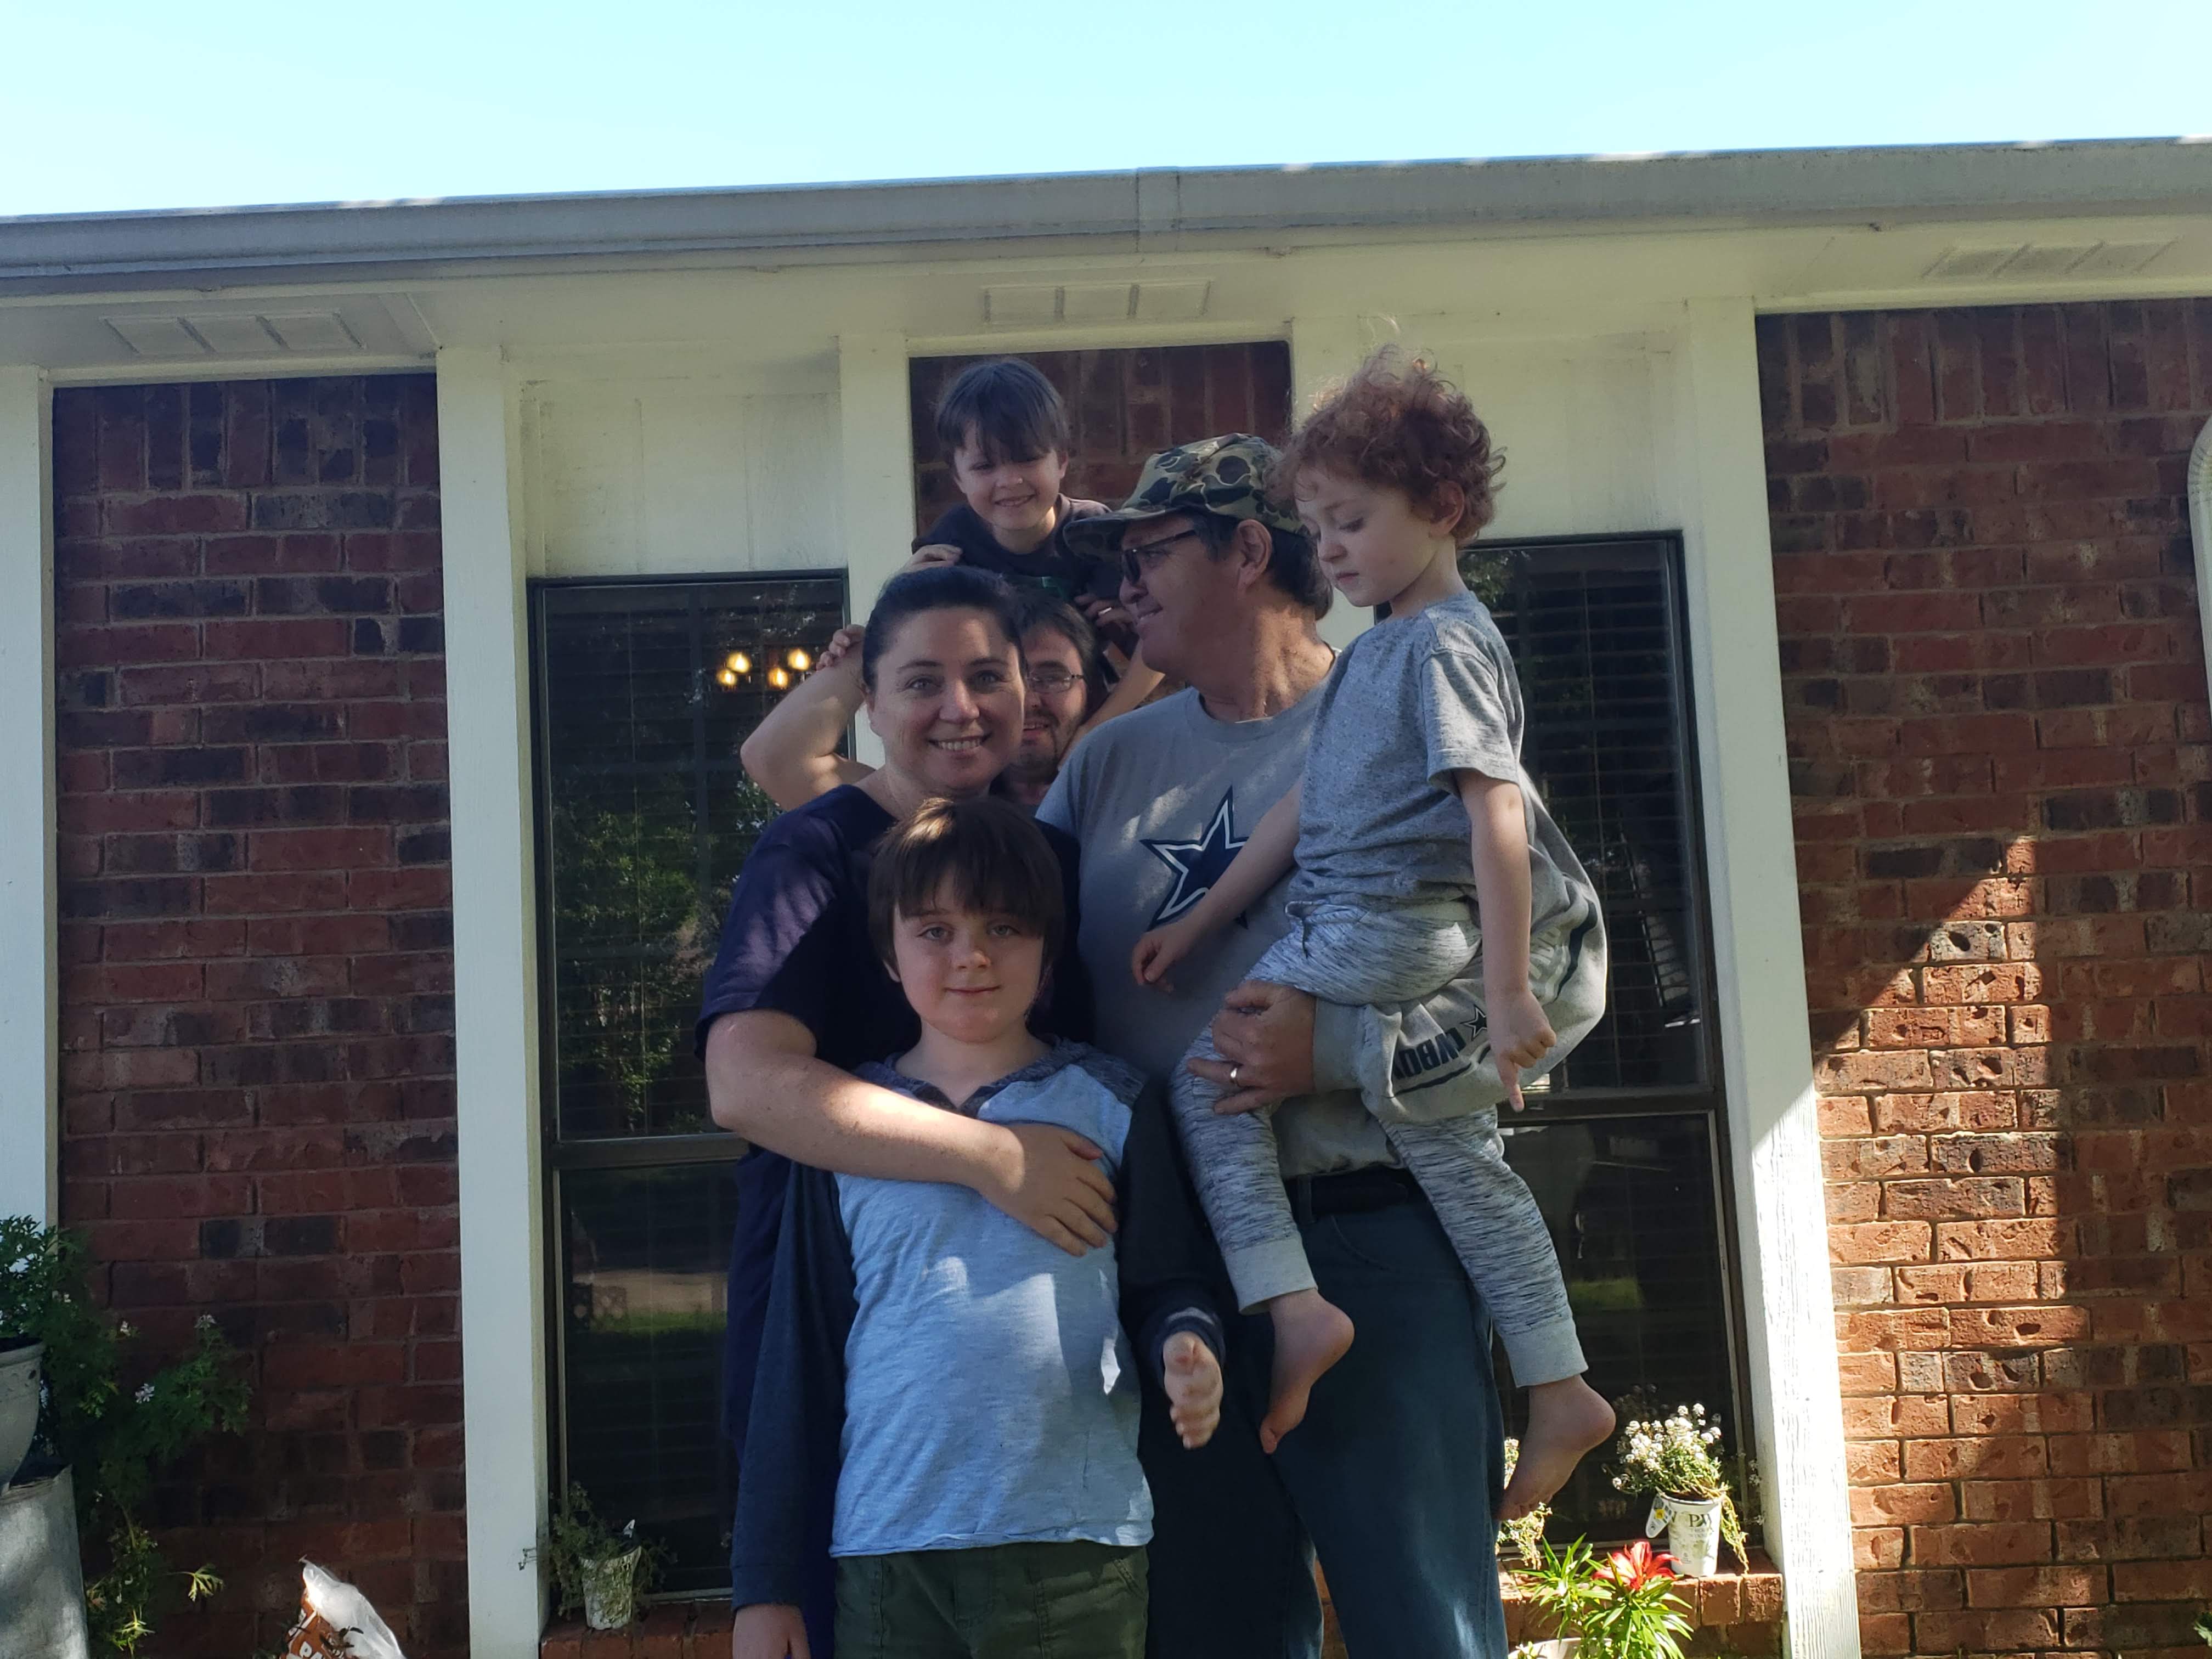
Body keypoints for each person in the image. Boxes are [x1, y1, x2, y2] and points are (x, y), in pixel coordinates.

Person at [1041, 432, 1536, 1657]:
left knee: (1424, 1630)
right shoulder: (1105, 763)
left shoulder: (1411, 704)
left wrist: (1341, 1053)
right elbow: (1009, 980)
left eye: (1148, 555)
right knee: (1220, 1634)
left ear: (1249, 550)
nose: (1124, 589)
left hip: (1372, 1241)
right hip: (1175, 1273)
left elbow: (1555, 990)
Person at [1128, 352, 1615, 1500]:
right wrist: (1201, 918)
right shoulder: (1382, 649)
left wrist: (1510, 988)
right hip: (1373, 922)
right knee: (1453, 1150)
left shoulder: (1443, 643)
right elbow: (1306, 804)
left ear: (1441, 507)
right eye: (1317, 527)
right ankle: (1558, 1382)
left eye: (1351, 521)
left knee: (1208, 1081)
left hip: (1376, 921)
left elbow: (1495, 809)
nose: (1332, 549)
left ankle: (1291, 1305)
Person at [698, 564, 1111, 1658]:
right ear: (870, 704)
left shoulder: (1054, 865)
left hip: (1034, 1404)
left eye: (988, 676)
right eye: (922, 681)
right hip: (834, 1330)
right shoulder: (815, 851)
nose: (960, 707)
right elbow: (743, 1081)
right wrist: (990, 1157)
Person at [728, 797, 1227, 1659]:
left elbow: (1168, 1283)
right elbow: (796, 1357)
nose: (972, 956)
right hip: (886, 1558)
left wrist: (1190, 1343)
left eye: (1004, 926)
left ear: (1048, 949)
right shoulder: (841, 1129)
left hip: (1076, 1552)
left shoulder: (1115, 1104)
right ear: (889, 954)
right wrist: (765, 1585)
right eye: (935, 931)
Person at [740, 588, 1113, 812]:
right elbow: (775, 757)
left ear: (1092, 690)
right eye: (990, 678)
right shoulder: (920, 809)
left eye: (1052, 677)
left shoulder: (1122, 802)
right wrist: (881, 642)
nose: (1028, 700)